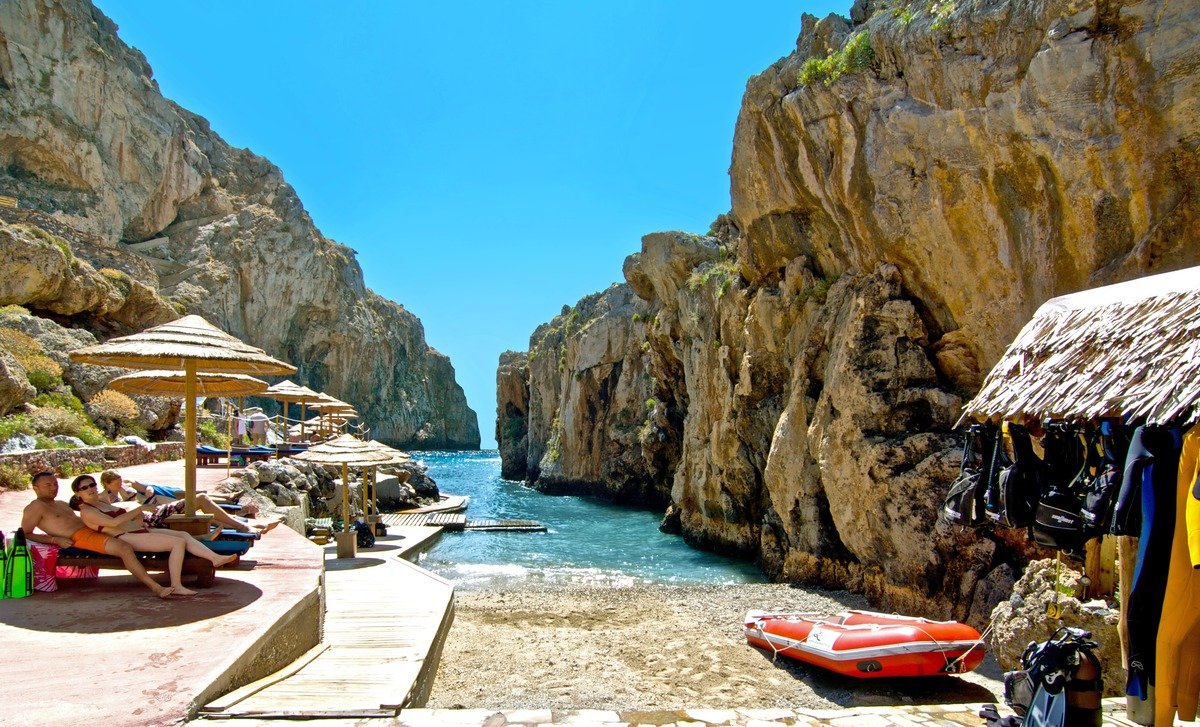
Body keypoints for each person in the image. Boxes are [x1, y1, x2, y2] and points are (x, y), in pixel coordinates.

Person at [70, 475, 237, 597]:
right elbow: (113, 523)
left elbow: (123, 513)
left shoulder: (102, 501)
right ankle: (176, 586)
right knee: (177, 543)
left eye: (91, 485)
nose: (90, 489)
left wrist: (137, 517)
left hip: (138, 529)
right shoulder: (87, 511)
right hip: (127, 536)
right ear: (78, 494)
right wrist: (140, 509)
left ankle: (214, 558)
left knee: (183, 535)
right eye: (84, 488)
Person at [19, 471, 176, 598]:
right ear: (36, 488)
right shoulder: (35, 507)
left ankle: (174, 557)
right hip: (80, 536)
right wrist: (54, 539)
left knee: (138, 533)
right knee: (124, 548)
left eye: (55, 484)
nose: (53, 487)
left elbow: (89, 509)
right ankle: (155, 587)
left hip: (93, 528)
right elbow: (25, 533)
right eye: (48, 485)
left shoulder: (60, 503)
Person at [97, 470, 277, 535]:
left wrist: (127, 492)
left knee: (201, 512)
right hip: (153, 518)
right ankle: (243, 526)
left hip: (156, 512)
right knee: (201, 499)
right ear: (107, 483)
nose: (120, 484)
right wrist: (129, 500)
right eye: (116, 483)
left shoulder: (123, 490)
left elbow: (143, 490)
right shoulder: (104, 498)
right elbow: (117, 515)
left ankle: (248, 525)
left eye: (121, 481)